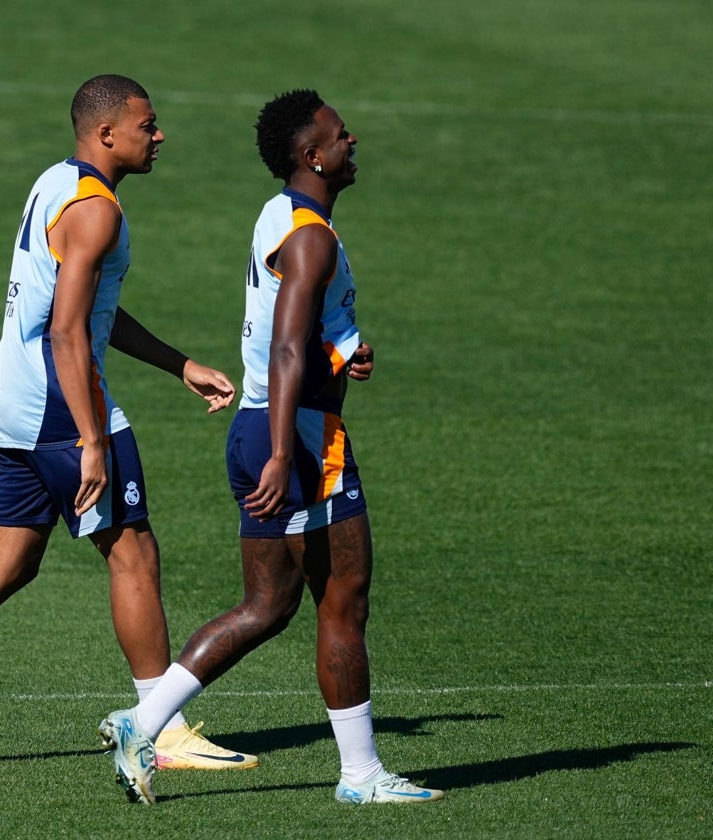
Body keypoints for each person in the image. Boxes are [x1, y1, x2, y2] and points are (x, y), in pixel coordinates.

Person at [0, 74, 257, 774]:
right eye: (148, 124)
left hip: (12, 399)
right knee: (132, 552)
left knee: (7, 560)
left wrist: (180, 364)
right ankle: (159, 731)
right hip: (59, 407)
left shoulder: (57, 183)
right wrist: (93, 440)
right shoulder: (96, 211)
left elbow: (89, 305)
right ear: (107, 134)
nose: (159, 135)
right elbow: (69, 334)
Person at [98, 89, 444, 805]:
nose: (353, 141)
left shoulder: (280, 215)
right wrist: (288, 453)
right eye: (340, 135)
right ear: (311, 154)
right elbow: (286, 346)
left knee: (268, 605)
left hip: (264, 426)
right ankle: (361, 776)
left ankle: (145, 721)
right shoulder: (313, 237)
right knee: (341, 600)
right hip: (298, 438)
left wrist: (345, 350)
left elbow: (295, 332)